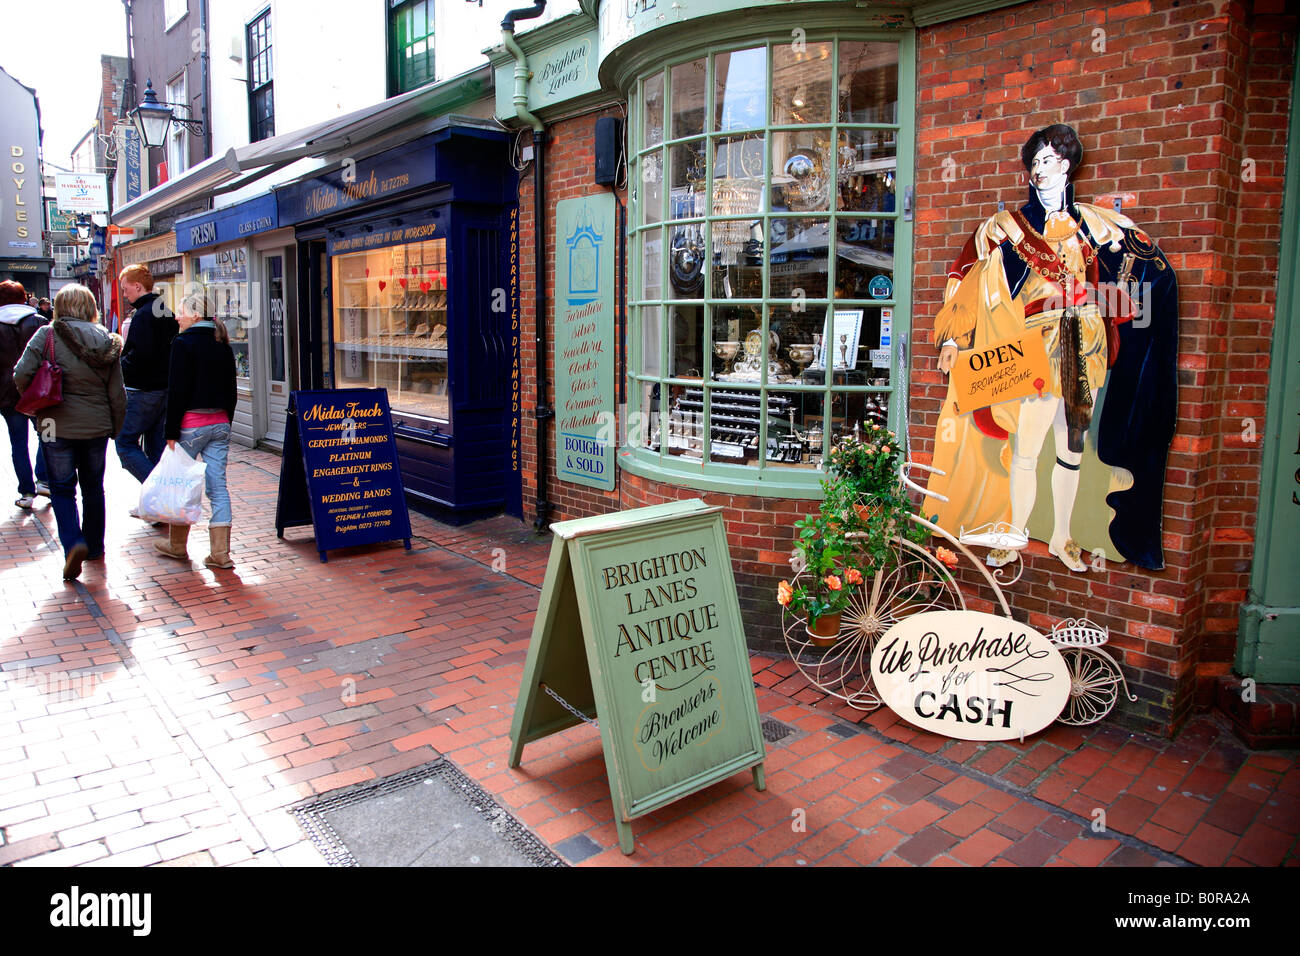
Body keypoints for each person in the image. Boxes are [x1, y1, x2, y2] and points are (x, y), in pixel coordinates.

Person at [923, 124, 1178, 573]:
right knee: (1028, 444)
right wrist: (952, 338)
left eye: (1046, 161)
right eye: (1033, 163)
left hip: (1087, 344)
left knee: (1071, 446)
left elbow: (1142, 273)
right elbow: (965, 273)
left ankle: (1061, 536)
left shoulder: (1099, 225)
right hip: (1038, 345)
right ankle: (1015, 533)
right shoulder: (1006, 228)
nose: (1037, 170)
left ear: (1065, 165)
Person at [13, 284, 125, 581]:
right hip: (97, 424)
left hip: (53, 423)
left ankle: (73, 542)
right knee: (93, 487)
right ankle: (95, 547)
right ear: (90, 307)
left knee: (62, 488)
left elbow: (21, 373)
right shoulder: (105, 339)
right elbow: (118, 392)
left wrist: (35, 400)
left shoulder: (46, 335)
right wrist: (116, 426)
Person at [155, 291, 237, 569]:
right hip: (220, 424)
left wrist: (170, 430)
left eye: (181, 312)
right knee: (218, 489)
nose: (177, 317)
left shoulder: (183, 343)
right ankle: (221, 554)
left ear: (196, 315)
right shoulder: (222, 342)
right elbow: (231, 390)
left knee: (182, 487)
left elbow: (177, 390)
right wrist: (228, 421)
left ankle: (177, 546)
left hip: (190, 425)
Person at [116, 264, 178, 494]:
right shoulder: (165, 310)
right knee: (156, 448)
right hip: (165, 389)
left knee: (124, 443)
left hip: (143, 390)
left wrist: (121, 365)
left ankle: (159, 492)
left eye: (125, 289)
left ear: (137, 286)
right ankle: (161, 503)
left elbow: (141, 355)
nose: (124, 294)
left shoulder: (143, 315)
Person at [0, 280, 51, 508]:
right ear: (24, 298)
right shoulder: (39, 322)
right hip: (38, 390)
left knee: (18, 443)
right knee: (47, 436)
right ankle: (44, 478)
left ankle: (26, 493)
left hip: (6, 392)